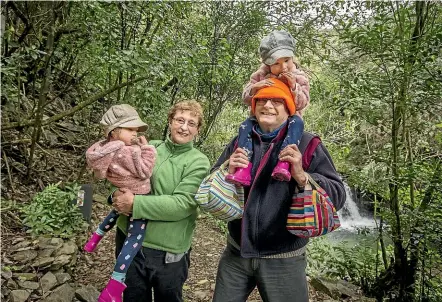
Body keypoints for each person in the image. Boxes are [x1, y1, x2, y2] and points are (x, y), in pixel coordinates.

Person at [211, 81, 346, 301]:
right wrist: (227, 168)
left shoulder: (308, 143)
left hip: (285, 259)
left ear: (289, 108)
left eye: (277, 100)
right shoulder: (240, 140)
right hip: (236, 254)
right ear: (253, 107)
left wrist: (302, 176)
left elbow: (338, 195)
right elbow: (214, 178)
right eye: (262, 100)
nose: (268, 105)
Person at [110, 100, 211, 302]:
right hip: (128, 241)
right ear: (170, 121)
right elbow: (120, 172)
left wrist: (134, 204)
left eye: (191, 123)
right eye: (180, 120)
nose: (184, 127)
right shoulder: (150, 147)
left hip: (167, 253)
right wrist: (115, 195)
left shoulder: (198, 161)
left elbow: (182, 205)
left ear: (197, 130)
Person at [83, 104, 157, 302]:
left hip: (123, 190)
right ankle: (115, 285)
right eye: (130, 129)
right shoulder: (127, 152)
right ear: (114, 132)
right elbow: (145, 170)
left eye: (136, 130)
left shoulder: (103, 149)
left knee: (116, 210)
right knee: (134, 238)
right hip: (138, 195)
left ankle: (95, 238)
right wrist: (147, 148)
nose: (134, 133)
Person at [226, 30, 310, 186]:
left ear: (292, 57)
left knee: (297, 124)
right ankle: (243, 166)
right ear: (267, 63)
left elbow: (303, 102)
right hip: (258, 123)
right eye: (276, 63)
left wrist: (293, 87)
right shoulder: (259, 75)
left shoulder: (299, 77)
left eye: (287, 60)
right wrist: (254, 88)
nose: (283, 66)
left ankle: (284, 162)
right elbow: (245, 98)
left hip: (291, 120)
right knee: (245, 126)